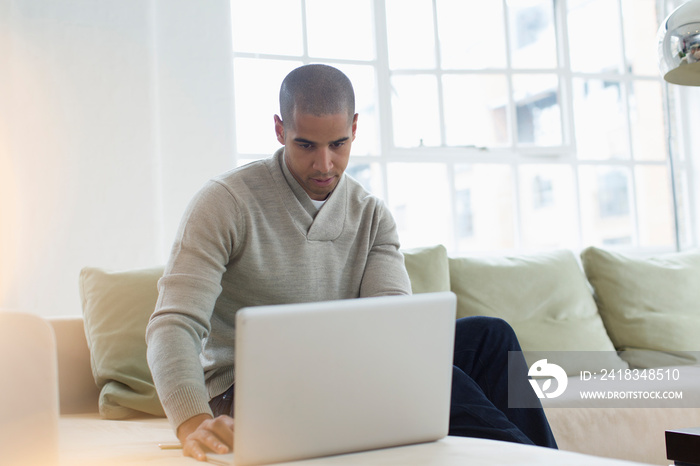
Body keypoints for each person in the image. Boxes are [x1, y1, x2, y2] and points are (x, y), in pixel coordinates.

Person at [146, 64, 557, 462]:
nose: (324, 165)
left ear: (355, 129)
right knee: (423, 377)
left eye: (338, 144)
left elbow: (395, 334)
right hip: (250, 393)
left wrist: (399, 364)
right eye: (306, 144)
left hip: (346, 379)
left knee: (491, 337)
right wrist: (192, 421)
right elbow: (173, 324)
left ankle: (549, 460)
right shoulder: (225, 202)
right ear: (279, 130)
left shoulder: (371, 215)